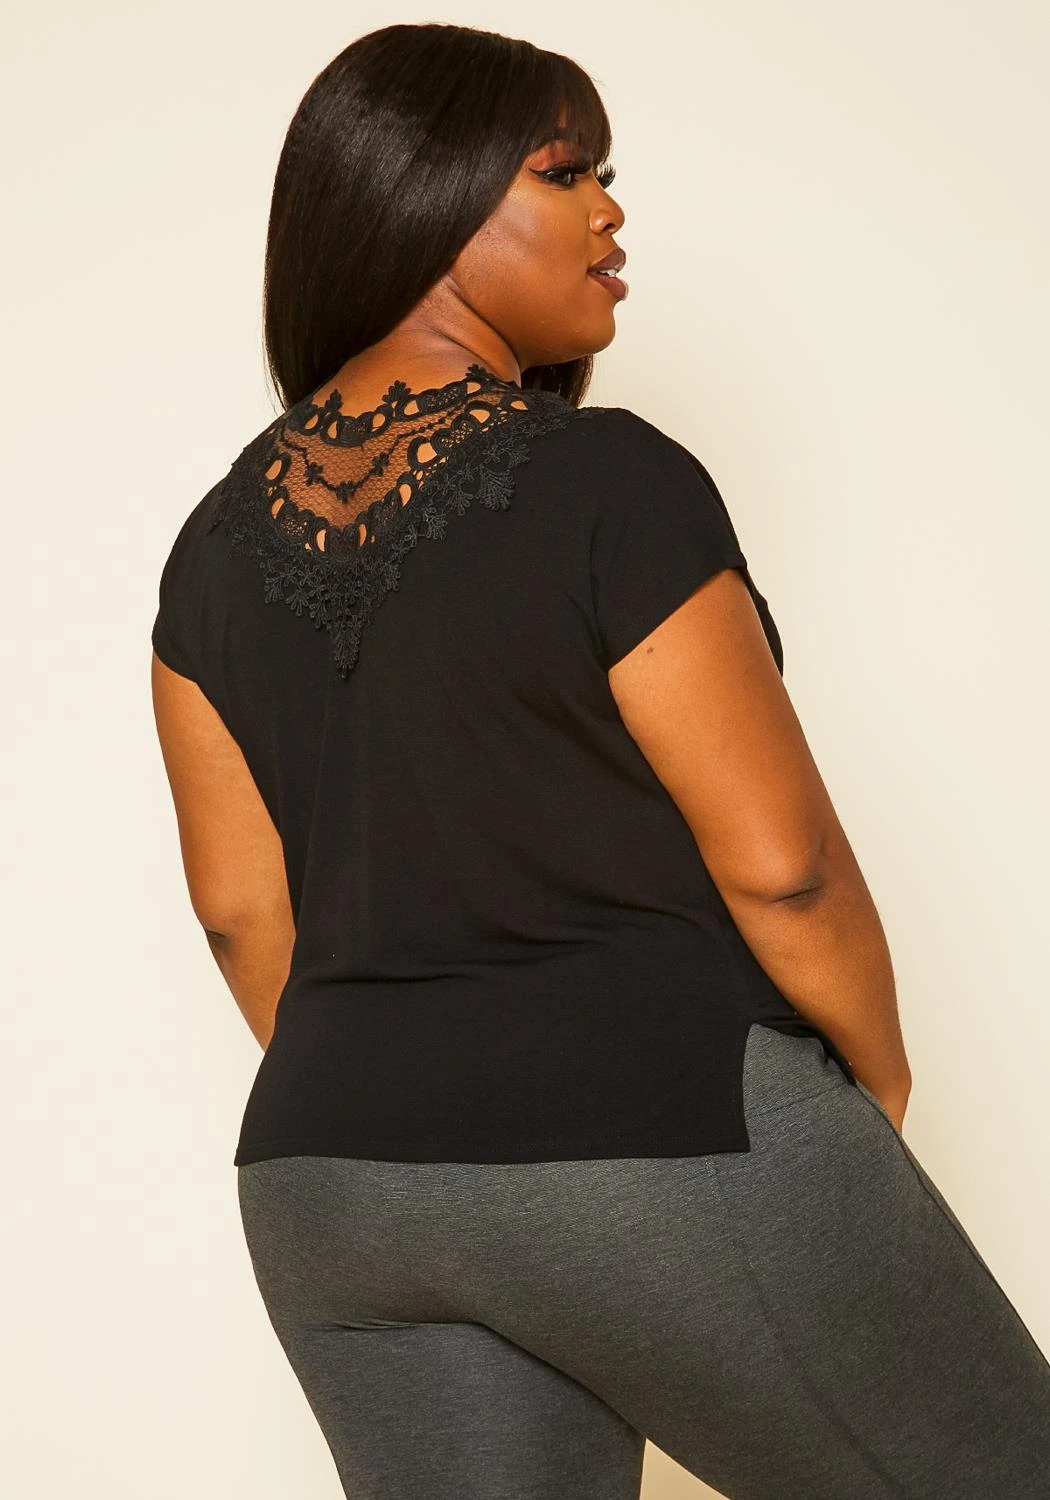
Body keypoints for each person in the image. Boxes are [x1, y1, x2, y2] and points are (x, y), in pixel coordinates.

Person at [150, 21, 1050, 1500]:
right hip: (662, 1120)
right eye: (566, 174)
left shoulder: (209, 550)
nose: (610, 213)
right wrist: (870, 1095)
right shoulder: (609, 479)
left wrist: (412, 1080)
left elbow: (243, 916)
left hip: (332, 1183)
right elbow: (783, 864)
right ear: (426, 200)